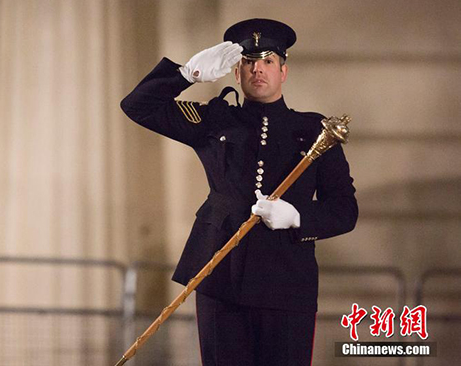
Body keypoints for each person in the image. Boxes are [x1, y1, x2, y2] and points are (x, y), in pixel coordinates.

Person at [120, 18, 358, 366]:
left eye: (267, 61)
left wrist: (297, 217)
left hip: (287, 284)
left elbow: (344, 210)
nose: (257, 69)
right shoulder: (215, 121)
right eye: (248, 62)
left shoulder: (313, 131)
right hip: (221, 278)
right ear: (236, 73)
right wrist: (187, 74)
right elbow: (136, 106)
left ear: (283, 72)